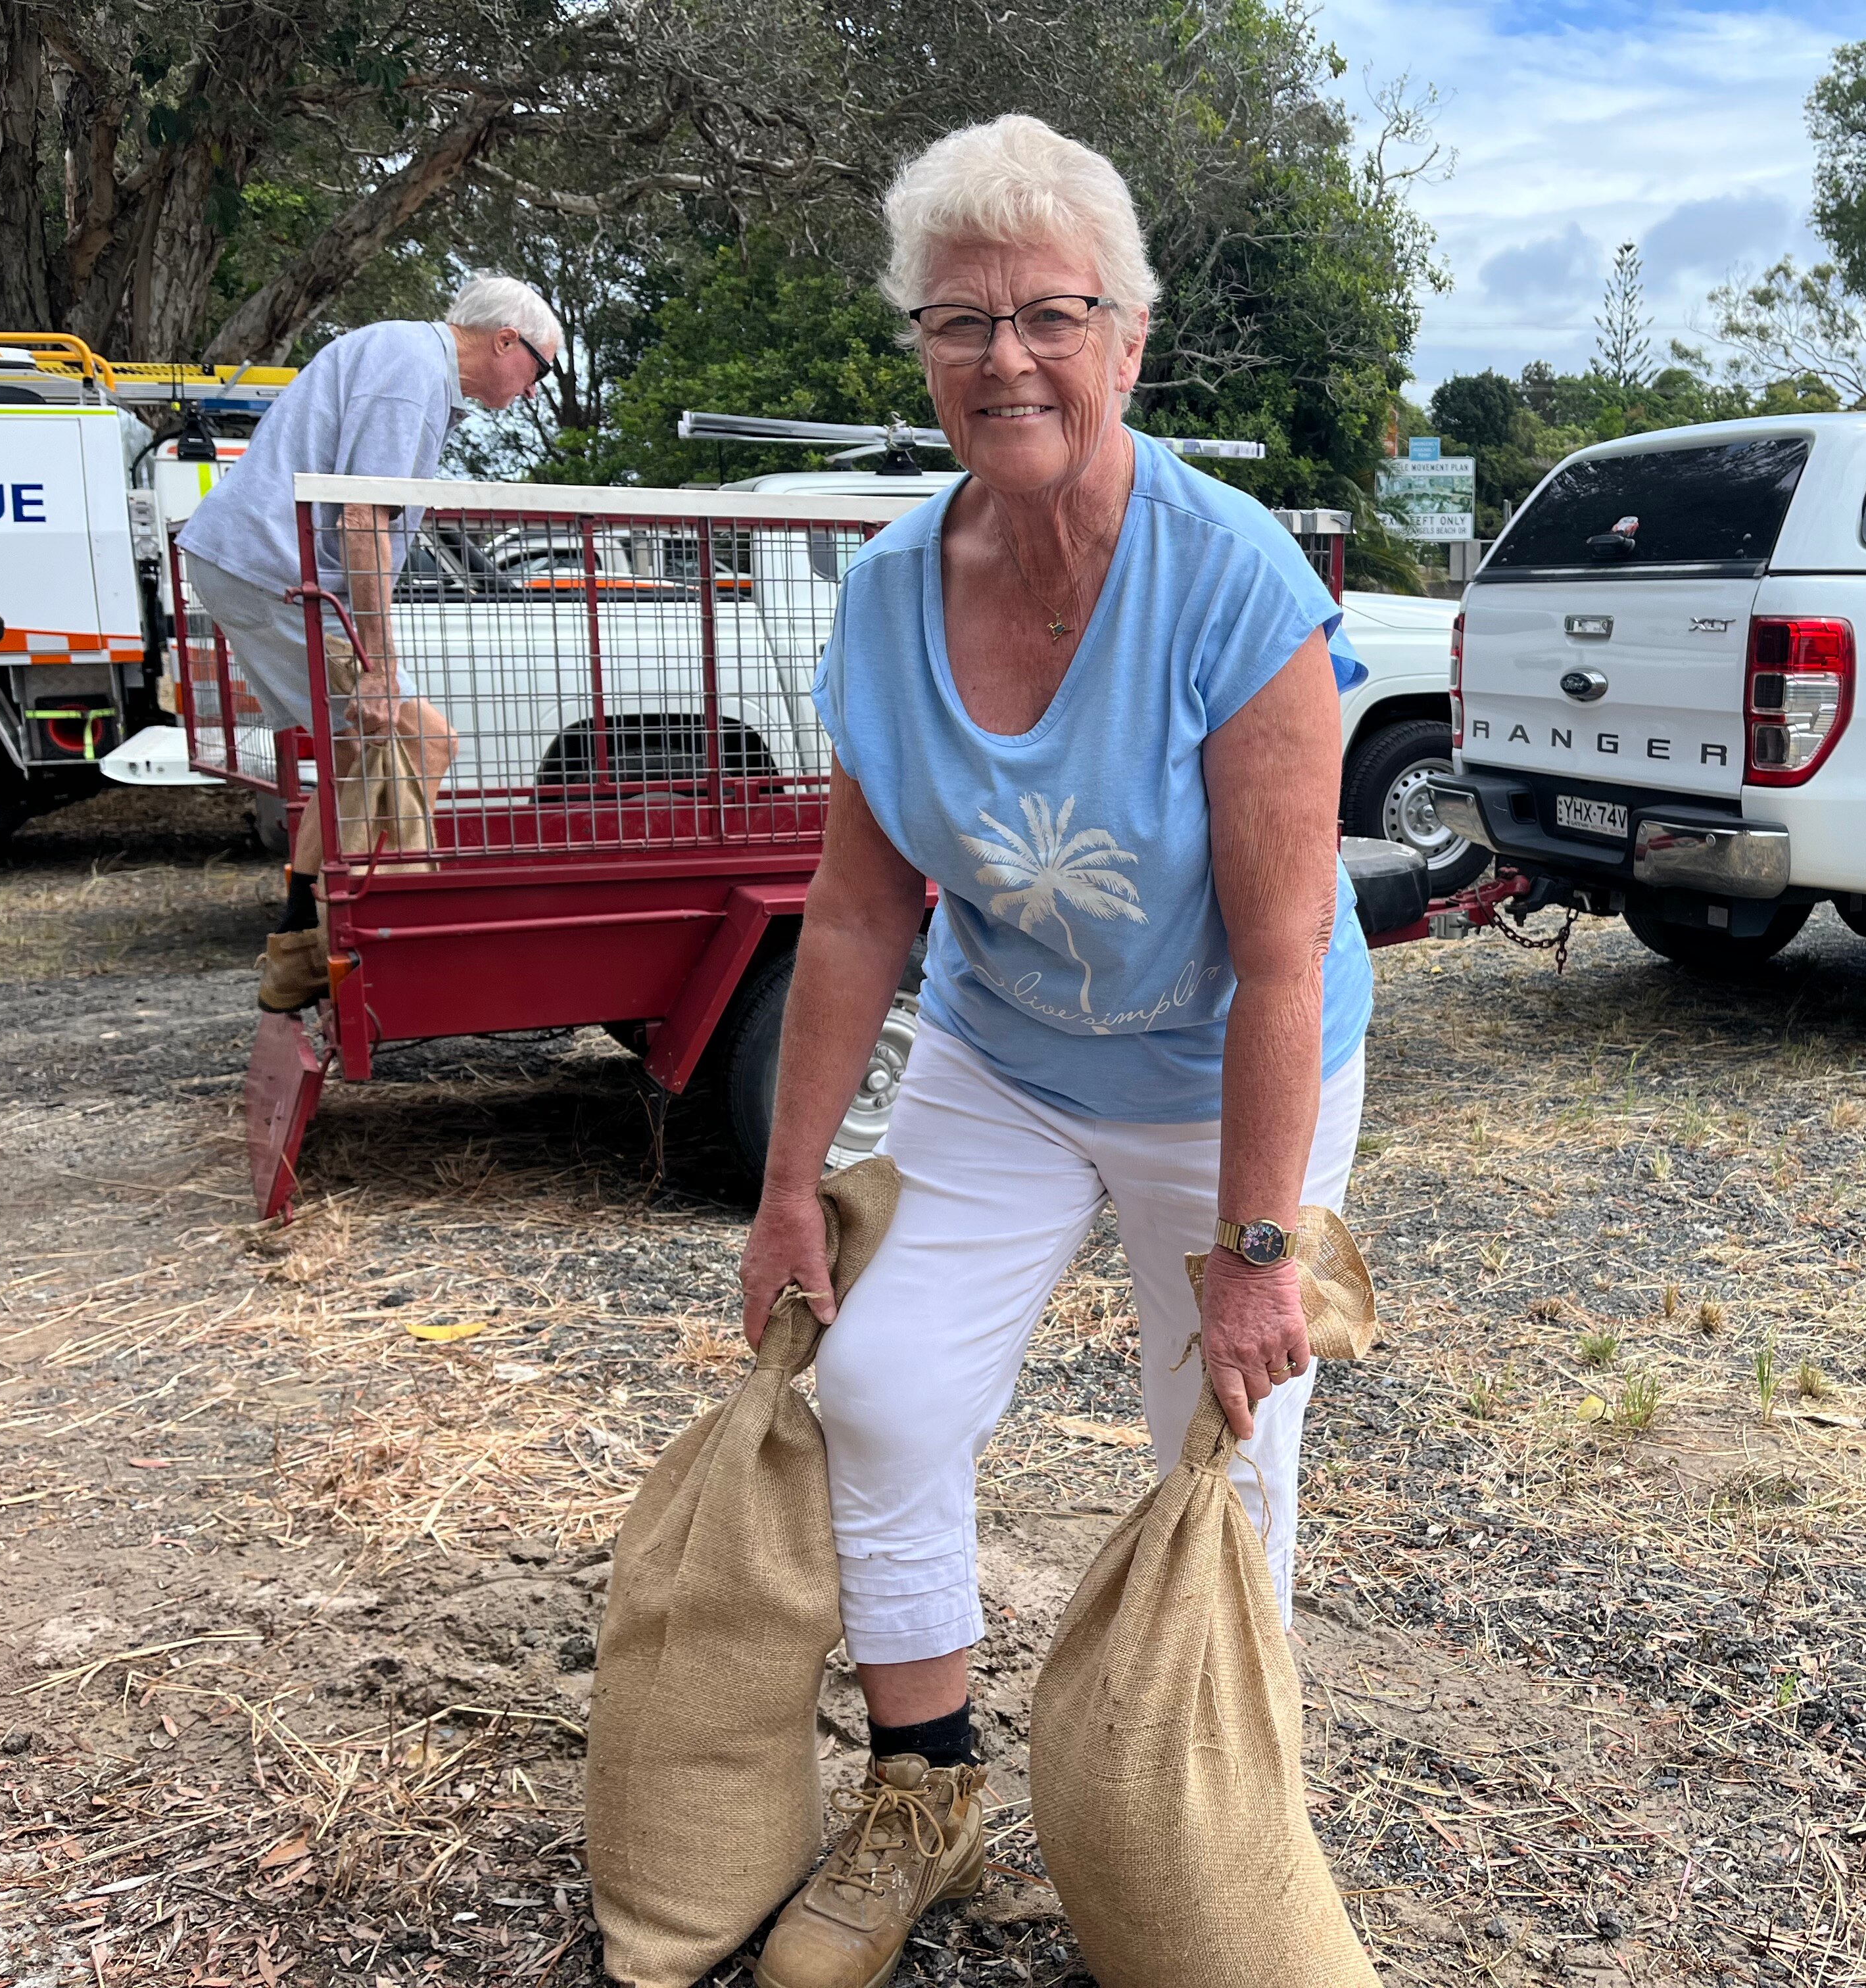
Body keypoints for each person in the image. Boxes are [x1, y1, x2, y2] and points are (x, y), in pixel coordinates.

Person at [734, 114, 1374, 1988]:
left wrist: (1263, 1252)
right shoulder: (883, 596)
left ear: (1129, 341)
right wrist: (787, 1192)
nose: (1005, 357)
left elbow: (1276, 961)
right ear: (921, 350)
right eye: (959, 322)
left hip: (1231, 1073)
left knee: (1228, 1457)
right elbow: (857, 916)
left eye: (1049, 315)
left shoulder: (1237, 586)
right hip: (1006, 1058)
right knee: (884, 1391)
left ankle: (1201, 1843)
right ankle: (923, 1787)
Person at [174, 275, 561, 1013]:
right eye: (540, 368)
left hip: (252, 567)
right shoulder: (412, 372)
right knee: (424, 740)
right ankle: (386, 932)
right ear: (504, 341)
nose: (535, 390)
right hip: (275, 573)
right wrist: (380, 666)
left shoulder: (403, 358)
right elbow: (362, 520)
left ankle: (300, 953)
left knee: (353, 750)